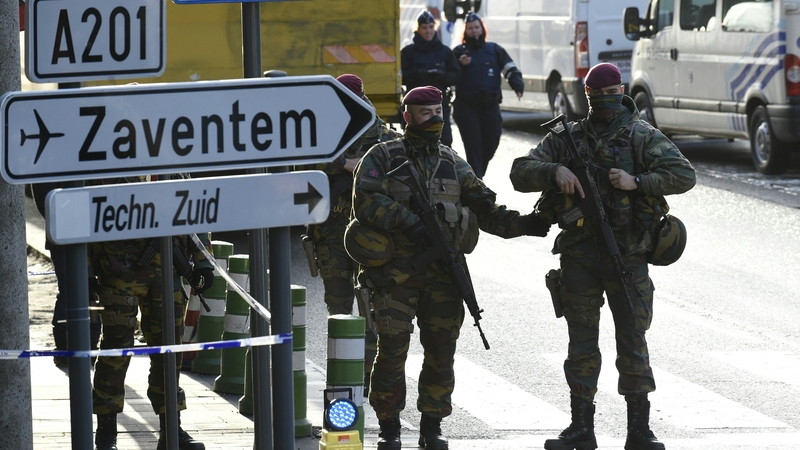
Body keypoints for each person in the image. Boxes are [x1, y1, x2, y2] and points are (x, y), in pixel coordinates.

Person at [349, 86, 551, 450]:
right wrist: (407, 221)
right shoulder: (383, 156)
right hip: (394, 272)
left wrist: (524, 224)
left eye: (438, 111)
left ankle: (432, 424)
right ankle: (389, 425)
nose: (435, 118)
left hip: (443, 273)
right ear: (408, 115)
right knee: (393, 349)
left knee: (442, 349)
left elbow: (486, 209)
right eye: (426, 112)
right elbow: (364, 201)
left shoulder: (452, 161)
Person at [509, 63, 696, 450]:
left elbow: (684, 174)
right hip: (579, 256)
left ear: (623, 89)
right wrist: (554, 170)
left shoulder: (641, 136)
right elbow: (519, 172)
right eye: (598, 94)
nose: (606, 99)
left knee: (632, 339)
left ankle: (639, 431)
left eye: (614, 91)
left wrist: (638, 182)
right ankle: (581, 427)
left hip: (628, 255)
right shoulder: (568, 138)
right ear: (587, 95)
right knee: (581, 343)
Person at [89, 186, 215, 450]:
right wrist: (85, 269)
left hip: (168, 268)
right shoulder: (111, 157)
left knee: (170, 351)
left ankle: (171, 428)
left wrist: (203, 260)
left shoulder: (171, 160)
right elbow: (87, 208)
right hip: (118, 267)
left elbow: (191, 206)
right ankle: (106, 433)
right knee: (116, 349)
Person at [301, 73, 396, 393]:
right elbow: (302, 163)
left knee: (370, 306)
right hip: (330, 232)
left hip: (370, 232)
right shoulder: (321, 128)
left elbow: (396, 166)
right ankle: (342, 377)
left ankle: (364, 378)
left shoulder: (379, 131)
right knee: (339, 307)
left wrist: (363, 165)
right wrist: (342, 164)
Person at [31, 182, 102, 367]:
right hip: (64, 234)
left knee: (89, 291)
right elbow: (45, 199)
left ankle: (86, 347)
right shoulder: (50, 164)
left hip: (89, 234)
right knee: (73, 291)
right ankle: (67, 349)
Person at [452, 12, 524, 179]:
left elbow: (510, 69)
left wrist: (517, 85)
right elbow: (448, 75)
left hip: (490, 105)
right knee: (473, 145)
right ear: (466, 31)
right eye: (470, 28)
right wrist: (459, 64)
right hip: (466, 106)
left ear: (482, 29)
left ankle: (474, 177)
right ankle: (476, 182)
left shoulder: (494, 50)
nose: (474, 31)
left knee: (492, 141)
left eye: (477, 27)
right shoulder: (458, 52)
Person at [400, 10, 461, 147]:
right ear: (418, 29)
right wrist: (417, 74)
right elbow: (400, 77)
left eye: (431, 27)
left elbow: (456, 76)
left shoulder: (445, 52)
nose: (428, 31)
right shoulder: (408, 52)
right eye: (424, 28)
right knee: (413, 143)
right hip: (415, 107)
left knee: (444, 142)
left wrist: (441, 75)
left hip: (439, 105)